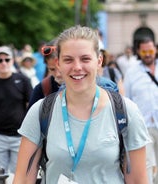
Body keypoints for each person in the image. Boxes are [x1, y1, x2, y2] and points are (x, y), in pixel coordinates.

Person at [13, 25, 150, 184]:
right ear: (58, 64)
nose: (77, 67)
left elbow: (138, 180)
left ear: (99, 61)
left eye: (85, 59)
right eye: (68, 59)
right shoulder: (40, 112)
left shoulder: (126, 112)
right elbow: (22, 179)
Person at [0, 46, 33, 174]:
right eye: (0, 60)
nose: (4, 63)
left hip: (20, 136)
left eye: (7, 59)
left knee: (19, 176)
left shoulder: (23, 80)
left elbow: (31, 107)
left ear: (12, 61)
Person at [124, 36, 158, 184]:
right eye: (144, 52)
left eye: (150, 50)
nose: (148, 54)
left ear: (155, 50)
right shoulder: (132, 73)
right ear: (138, 52)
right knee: (148, 168)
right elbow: (127, 100)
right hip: (143, 129)